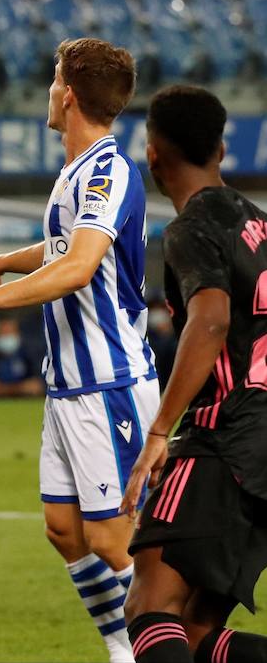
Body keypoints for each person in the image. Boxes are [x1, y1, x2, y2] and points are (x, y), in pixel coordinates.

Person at [0, 38, 154, 663]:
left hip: (107, 380)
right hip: (68, 385)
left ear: (67, 92)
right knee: (65, 532)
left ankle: (171, 645)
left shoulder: (109, 169)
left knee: (116, 541)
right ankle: (123, 648)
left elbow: (81, 266)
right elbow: (68, 249)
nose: (49, 90)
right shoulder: (78, 170)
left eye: (53, 78)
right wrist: (10, 261)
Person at [119, 86, 267, 663]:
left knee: (149, 607)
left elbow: (209, 320)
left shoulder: (191, 228)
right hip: (260, 443)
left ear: (152, 154)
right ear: (222, 148)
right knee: (197, 631)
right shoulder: (258, 224)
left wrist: (160, 432)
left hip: (223, 442)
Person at [0, 317, 45, 398]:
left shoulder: (28, 354)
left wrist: (3, 388)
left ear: (18, 334)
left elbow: (36, 386)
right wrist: (21, 388)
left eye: (10, 332)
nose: (7, 337)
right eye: (3, 333)